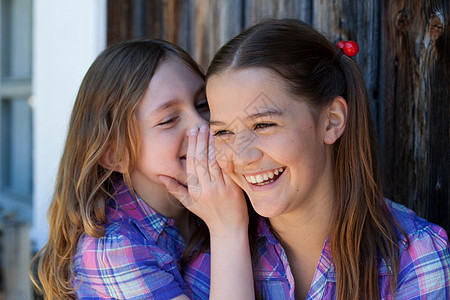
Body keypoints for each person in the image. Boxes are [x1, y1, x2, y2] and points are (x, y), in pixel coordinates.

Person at [200, 18, 450, 299]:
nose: (242, 156)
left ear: (331, 121)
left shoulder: (413, 258)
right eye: (222, 132)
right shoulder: (216, 258)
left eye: (263, 124)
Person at [30, 39, 254, 299]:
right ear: (115, 155)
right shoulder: (111, 250)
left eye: (203, 105)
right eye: (169, 120)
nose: (201, 125)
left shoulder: (229, 189)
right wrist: (228, 229)